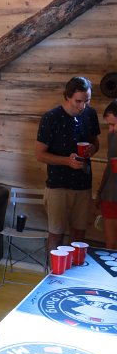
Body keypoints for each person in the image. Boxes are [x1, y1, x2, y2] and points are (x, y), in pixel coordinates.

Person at [35, 76, 100, 252]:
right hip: (58, 185)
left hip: (83, 183)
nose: (83, 106)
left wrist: (93, 149)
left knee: (79, 235)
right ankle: (54, 269)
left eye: (87, 100)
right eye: (78, 101)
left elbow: (96, 143)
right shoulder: (51, 117)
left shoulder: (90, 114)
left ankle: (75, 268)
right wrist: (66, 161)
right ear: (67, 96)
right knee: (56, 234)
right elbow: (40, 155)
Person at [95, 100, 117, 249]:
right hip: (111, 195)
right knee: (111, 244)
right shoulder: (112, 136)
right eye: (109, 125)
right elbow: (109, 166)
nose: (110, 129)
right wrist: (99, 192)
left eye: (113, 124)